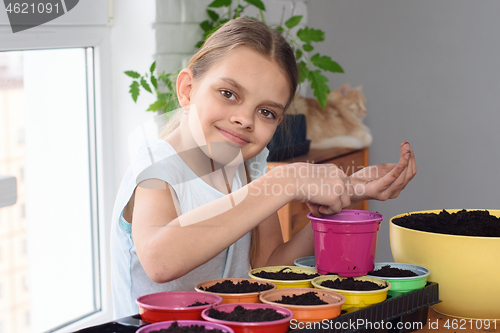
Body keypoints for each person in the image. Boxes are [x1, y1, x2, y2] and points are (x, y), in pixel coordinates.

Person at [110, 17, 416, 318]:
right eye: (228, 94)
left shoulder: (248, 167)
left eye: (266, 111)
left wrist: (335, 204)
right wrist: (284, 181)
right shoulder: (156, 165)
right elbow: (160, 260)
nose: (245, 119)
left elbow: (268, 269)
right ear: (187, 89)